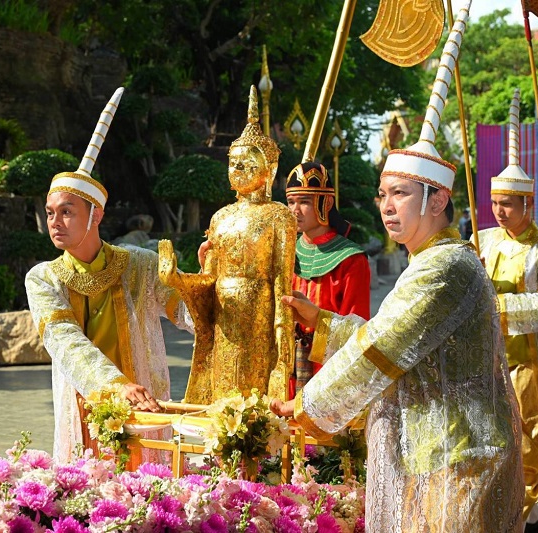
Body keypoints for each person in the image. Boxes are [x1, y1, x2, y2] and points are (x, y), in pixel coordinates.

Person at [272, 8, 525, 531]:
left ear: (438, 200)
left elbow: (383, 348)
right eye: (383, 194)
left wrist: (307, 406)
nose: (387, 206)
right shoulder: (430, 261)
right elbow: (391, 338)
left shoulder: (446, 267)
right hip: (439, 451)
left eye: (401, 194)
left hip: (459, 456)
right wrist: (323, 321)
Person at [25, 88, 193, 463]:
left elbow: (189, 309)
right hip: (86, 405)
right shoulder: (43, 279)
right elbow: (65, 342)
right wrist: (116, 386)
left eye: (67, 211)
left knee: (149, 486)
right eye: (50, 212)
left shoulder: (140, 265)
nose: (55, 222)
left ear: (96, 215)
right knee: (87, 483)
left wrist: (213, 287)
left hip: (144, 405)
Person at [159, 86, 296, 404]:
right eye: (234, 164)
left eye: (248, 165)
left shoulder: (279, 216)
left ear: (269, 169)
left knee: (253, 395)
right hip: (224, 315)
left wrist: (283, 326)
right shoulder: (220, 217)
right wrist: (177, 278)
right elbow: (210, 278)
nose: (238, 171)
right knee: (221, 391)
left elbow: (282, 278)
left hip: (258, 310)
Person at [478, 88, 538, 532]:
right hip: (485, 367)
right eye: (495, 203)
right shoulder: (483, 240)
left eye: (507, 204)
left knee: (527, 459)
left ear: (527, 204)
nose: (499, 211)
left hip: (528, 369)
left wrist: (495, 308)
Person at [285, 161, 371, 397]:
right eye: (291, 202)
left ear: (327, 203)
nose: (295, 210)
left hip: (329, 372)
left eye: (304, 202)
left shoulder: (351, 259)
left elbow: (356, 330)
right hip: (285, 368)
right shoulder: (285, 253)